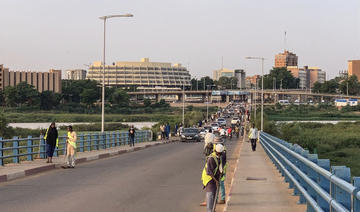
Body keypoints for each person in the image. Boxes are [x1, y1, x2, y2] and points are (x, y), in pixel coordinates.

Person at [201, 143, 224, 212]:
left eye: (221, 153)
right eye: (219, 153)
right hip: (209, 178)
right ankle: (209, 210)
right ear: (216, 151)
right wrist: (216, 181)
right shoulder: (211, 159)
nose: (220, 154)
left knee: (214, 193)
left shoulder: (218, 157)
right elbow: (209, 172)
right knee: (210, 194)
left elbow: (218, 167)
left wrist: (220, 174)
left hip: (214, 177)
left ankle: (212, 209)